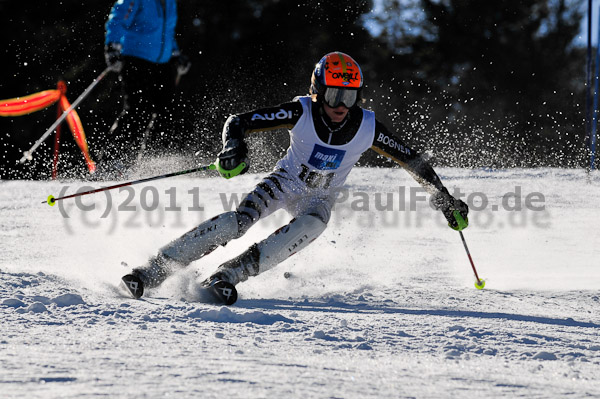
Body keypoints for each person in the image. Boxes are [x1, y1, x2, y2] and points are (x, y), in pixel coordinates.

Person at [121, 51, 469, 304]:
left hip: (318, 198)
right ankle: (155, 269)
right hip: (283, 182)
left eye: (349, 96)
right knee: (236, 223)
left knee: (314, 224)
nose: (341, 105)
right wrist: (234, 148)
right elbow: (238, 121)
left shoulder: (367, 126)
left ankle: (228, 275)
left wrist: (443, 198)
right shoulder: (301, 110)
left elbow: (413, 161)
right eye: (334, 94)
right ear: (318, 91)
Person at [100, 0, 191, 173]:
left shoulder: (171, 2)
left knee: (167, 111)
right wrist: (112, 46)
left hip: (162, 63)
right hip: (137, 58)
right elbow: (118, 18)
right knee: (138, 110)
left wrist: (176, 54)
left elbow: (167, 31)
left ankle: (152, 162)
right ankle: (112, 162)